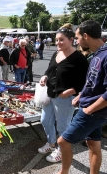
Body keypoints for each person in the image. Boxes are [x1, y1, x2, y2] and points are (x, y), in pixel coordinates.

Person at [57, 21, 107, 174]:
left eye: (78, 37)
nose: (77, 41)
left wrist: (89, 110)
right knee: (93, 142)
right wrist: (81, 94)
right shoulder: (97, 54)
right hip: (91, 107)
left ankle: (63, 172)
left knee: (62, 141)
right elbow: (92, 81)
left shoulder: (105, 56)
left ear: (85, 36)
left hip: (93, 110)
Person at [38, 23, 89, 163]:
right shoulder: (56, 53)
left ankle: (61, 151)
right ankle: (51, 143)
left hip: (65, 98)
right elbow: (50, 69)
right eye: (56, 40)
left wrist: (71, 91)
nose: (58, 42)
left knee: (63, 126)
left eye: (61, 40)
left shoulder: (79, 58)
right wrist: (45, 76)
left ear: (71, 40)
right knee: (45, 120)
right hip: (50, 94)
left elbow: (86, 81)